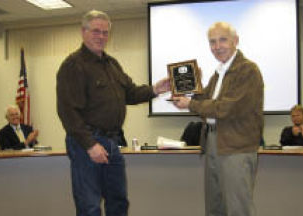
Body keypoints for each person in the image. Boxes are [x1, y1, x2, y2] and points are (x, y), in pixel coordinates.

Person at [56, 10, 170, 216]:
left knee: (118, 202)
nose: (101, 37)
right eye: (96, 31)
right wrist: (90, 145)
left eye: (105, 32)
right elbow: (68, 112)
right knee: (89, 206)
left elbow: (130, 93)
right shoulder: (73, 65)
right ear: (83, 32)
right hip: (87, 144)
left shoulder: (111, 64)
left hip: (112, 142)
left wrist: (155, 89)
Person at [172, 22, 264, 216]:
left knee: (238, 208)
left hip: (236, 148)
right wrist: (188, 91)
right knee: (215, 206)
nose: (217, 46)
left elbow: (226, 108)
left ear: (235, 41)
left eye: (223, 40)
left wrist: (190, 104)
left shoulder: (247, 70)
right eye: (212, 42)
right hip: (213, 142)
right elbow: (204, 101)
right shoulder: (219, 72)